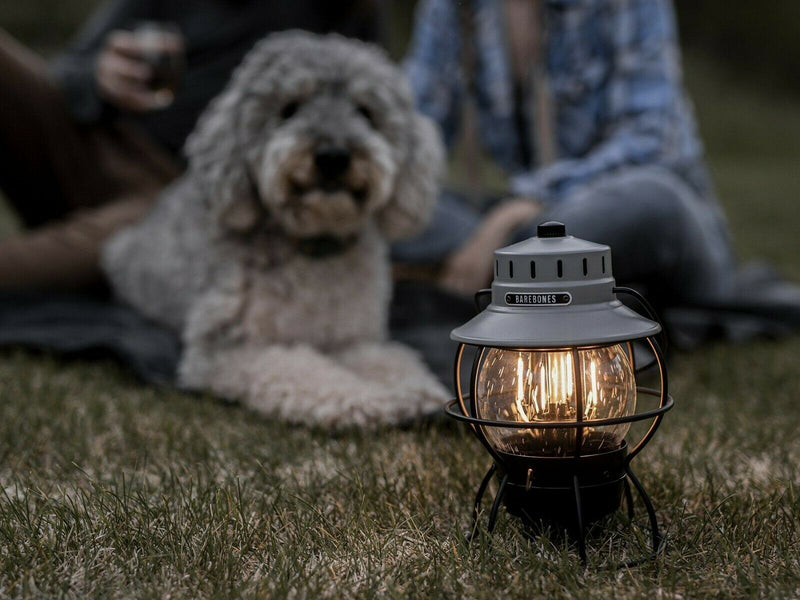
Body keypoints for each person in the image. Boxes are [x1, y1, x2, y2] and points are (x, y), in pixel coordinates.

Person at [0, 0, 379, 290]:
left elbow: (368, 112)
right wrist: (96, 76)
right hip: (87, 140)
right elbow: (65, 72)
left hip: (180, 195)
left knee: (74, 259)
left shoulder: (338, 8)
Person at [396, 0, 740, 314]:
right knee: (396, 206)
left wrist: (514, 214)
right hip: (530, 226)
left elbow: (650, 142)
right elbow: (414, 129)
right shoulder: (453, 8)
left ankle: (494, 276)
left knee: (650, 200)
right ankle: (520, 276)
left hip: (629, 212)